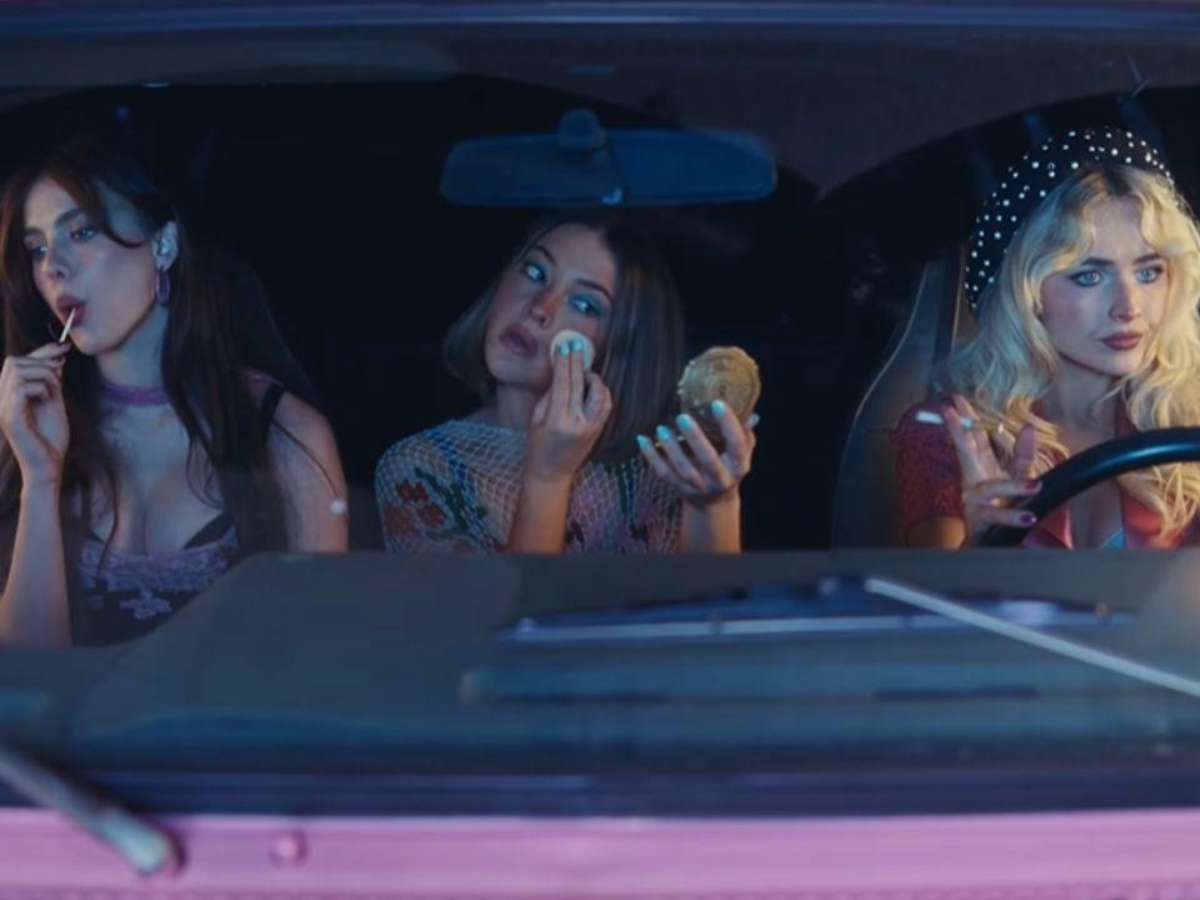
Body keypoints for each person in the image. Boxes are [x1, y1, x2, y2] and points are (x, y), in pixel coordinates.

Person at [0, 136, 348, 647]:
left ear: (163, 246)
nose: (52, 267)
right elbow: (25, 668)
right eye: (37, 249)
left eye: (82, 231)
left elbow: (315, 651)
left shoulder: (282, 429)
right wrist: (40, 480)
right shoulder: (30, 427)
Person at [374, 212, 757, 554]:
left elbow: (708, 603)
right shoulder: (420, 467)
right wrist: (546, 478)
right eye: (535, 273)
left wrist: (716, 505)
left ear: (618, 347)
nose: (540, 308)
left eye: (585, 304)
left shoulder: (660, 469)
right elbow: (504, 609)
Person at [892, 127, 1200, 549]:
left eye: (1149, 272)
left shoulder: (1188, 418)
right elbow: (926, 589)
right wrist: (978, 546)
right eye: (1089, 277)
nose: (1129, 307)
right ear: (1027, 292)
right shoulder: (952, 434)